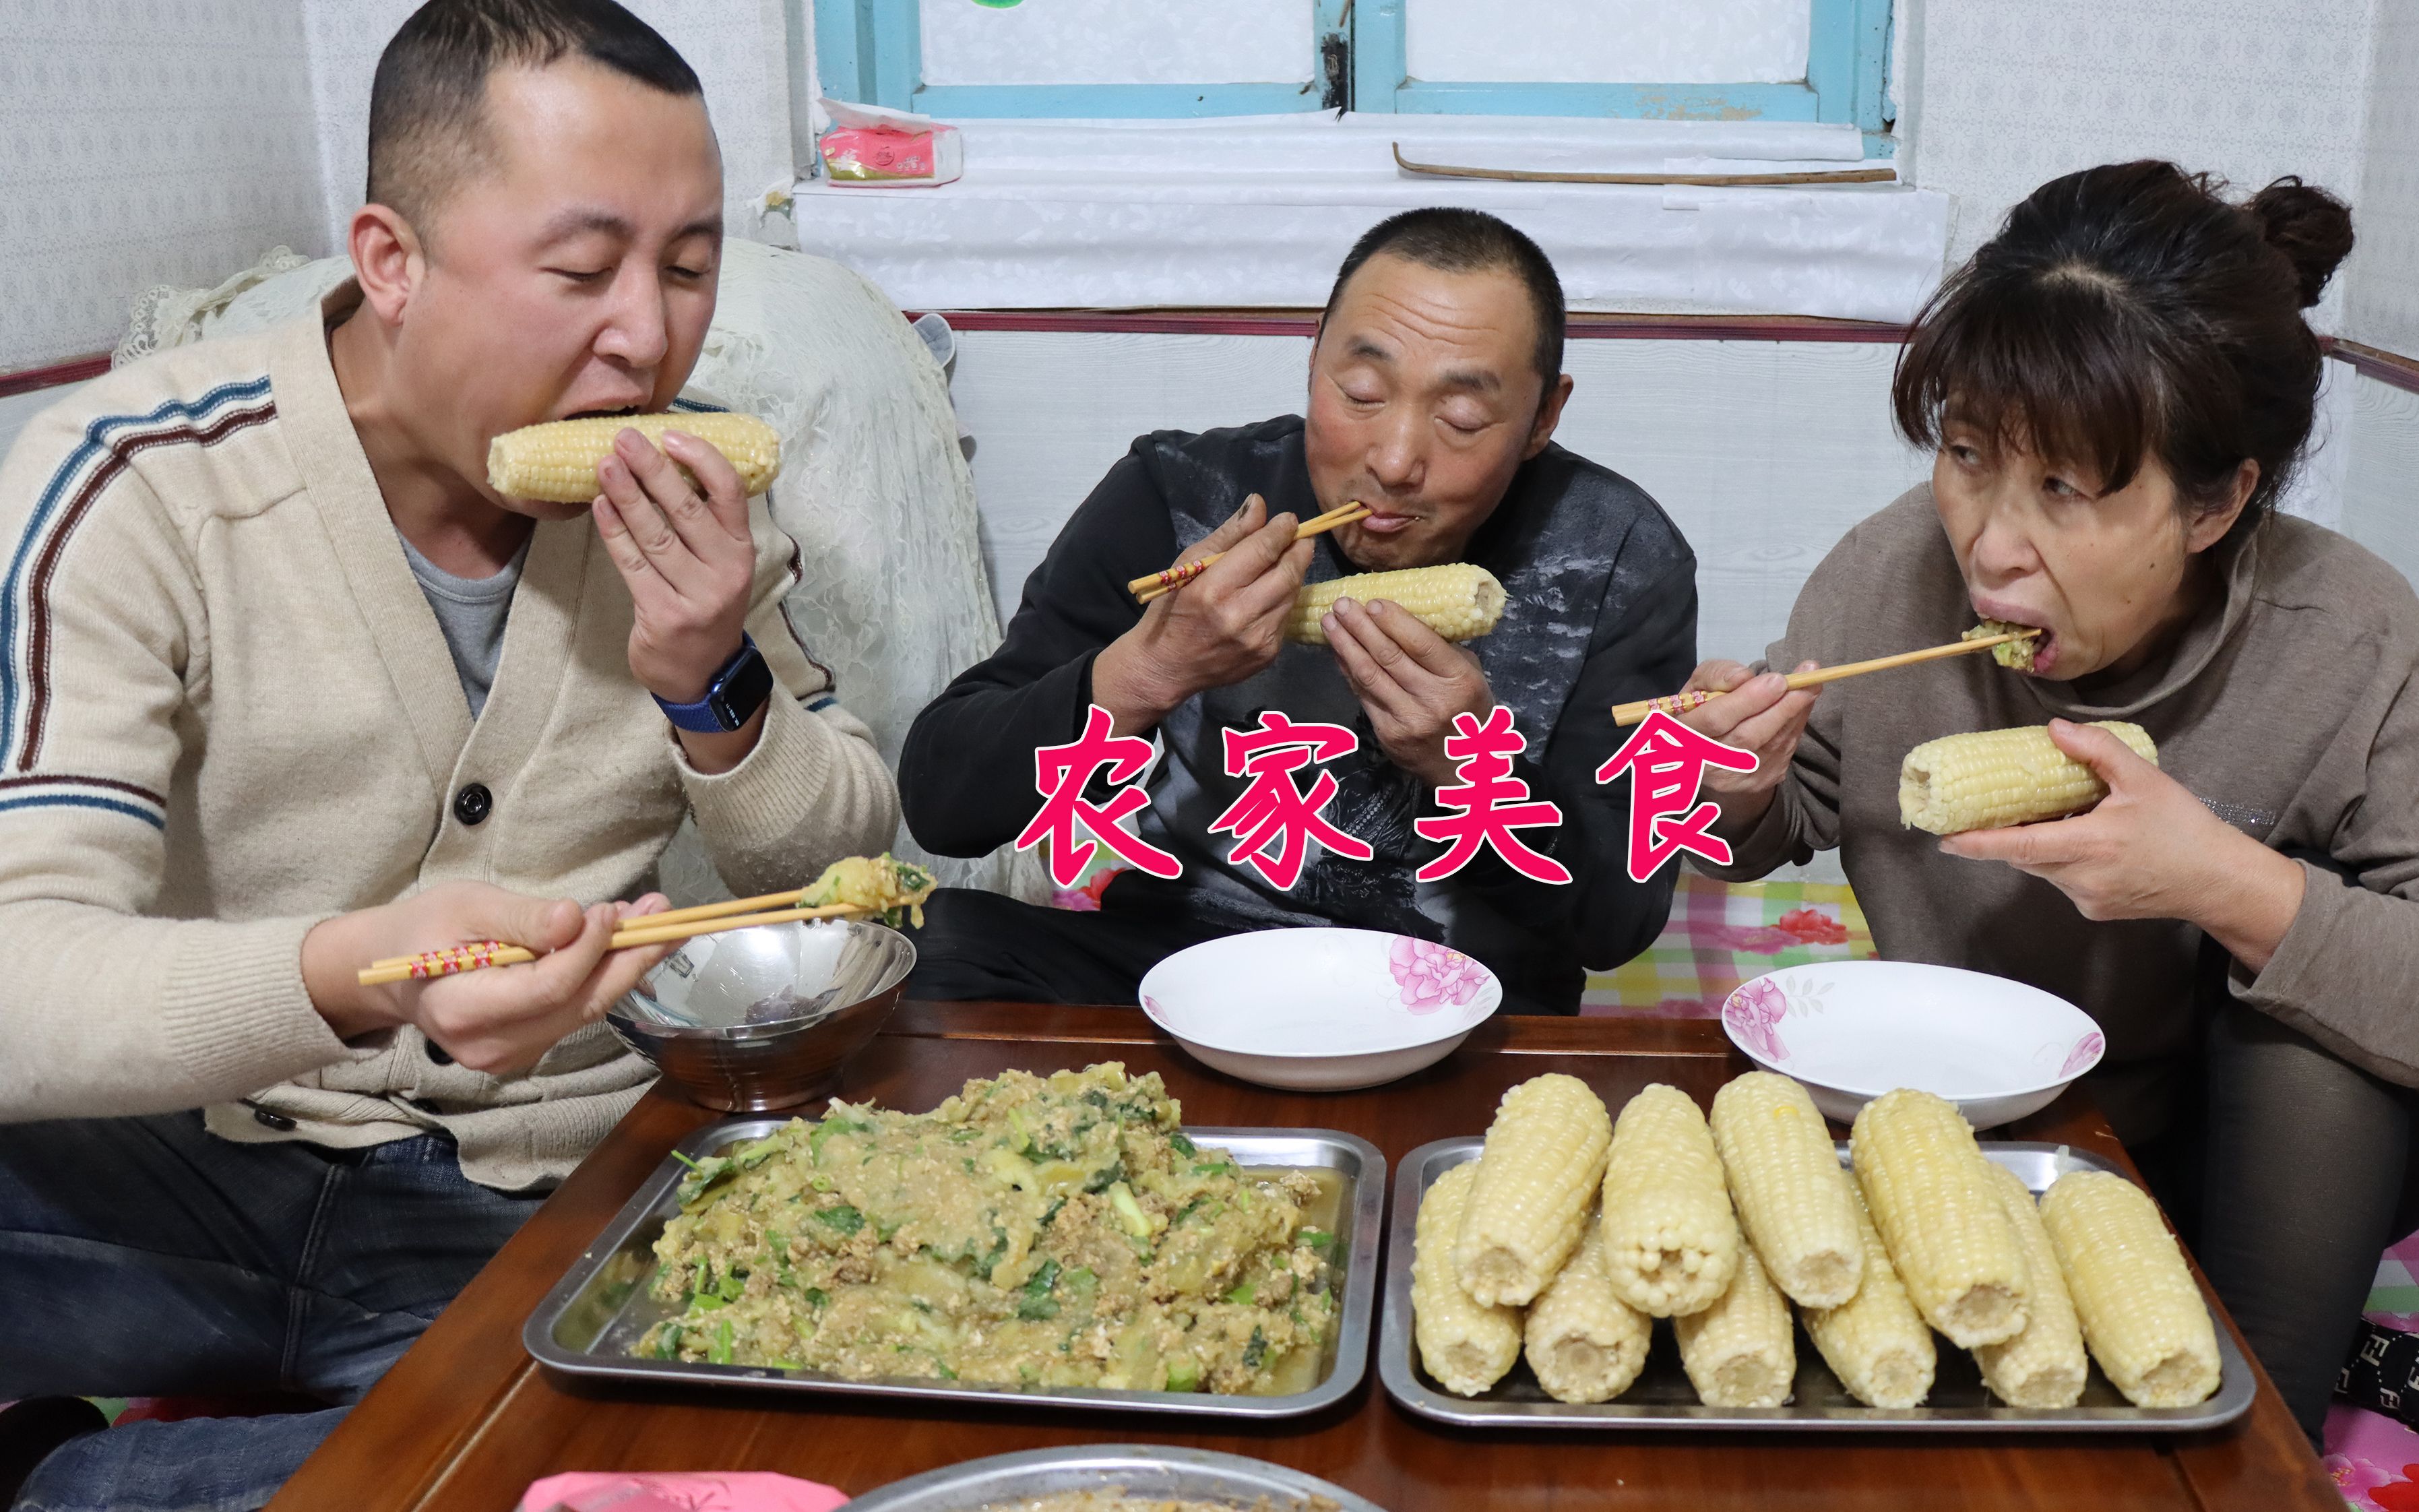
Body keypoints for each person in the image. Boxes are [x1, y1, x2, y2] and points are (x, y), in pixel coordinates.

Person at [0, 3, 898, 1506]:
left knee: (676, 1461)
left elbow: (837, 870)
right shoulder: (136, 485)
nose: (647, 332)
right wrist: (356, 971)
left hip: (527, 1186)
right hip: (189, 1152)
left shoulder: (695, 490)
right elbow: (20, 979)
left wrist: (711, 678)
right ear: (390, 260)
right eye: (581, 268)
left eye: (688, 268)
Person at [1679, 160, 2401, 1441]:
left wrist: (2224, 880)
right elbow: (1772, 830)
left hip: (2249, 1149)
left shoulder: (2349, 640)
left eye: (2065, 488)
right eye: (1966, 455)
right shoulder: (1883, 578)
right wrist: (1726, 784)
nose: (1989, 543)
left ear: (2218, 500)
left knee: (2312, 1060)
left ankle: (2258, 1439)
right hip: (1968, 1119)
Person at [898, 208, 1697, 1015]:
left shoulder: (1618, 554)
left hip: (1459, 998)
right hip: (1176, 962)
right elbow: (942, 804)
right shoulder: (1177, 495)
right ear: (1313, 352)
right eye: (1360, 393)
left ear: (1543, 417)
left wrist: (1467, 769)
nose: (1391, 461)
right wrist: (1143, 674)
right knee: (922, 947)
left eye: (1459, 419)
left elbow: (1617, 923)